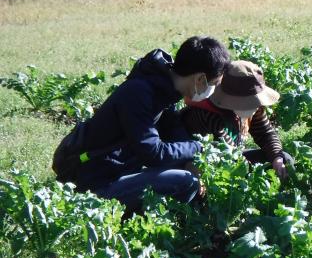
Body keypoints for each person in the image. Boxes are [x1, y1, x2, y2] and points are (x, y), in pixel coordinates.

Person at [52, 36, 230, 209]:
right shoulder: (139, 93)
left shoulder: (164, 89)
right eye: (213, 83)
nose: (212, 91)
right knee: (186, 182)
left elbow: (173, 129)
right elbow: (153, 153)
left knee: (184, 167)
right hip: (96, 183)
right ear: (199, 79)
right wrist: (197, 148)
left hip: (119, 169)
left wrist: (191, 159)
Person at [180, 60, 292, 178]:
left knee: (284, 159)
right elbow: (225, 156)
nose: (256, 106)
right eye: (250, 102)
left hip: (233, 159)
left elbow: (265, 133)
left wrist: (277, 158)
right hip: (208, 165)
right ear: (233, 100)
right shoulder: (207, 115)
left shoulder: (252, 108)